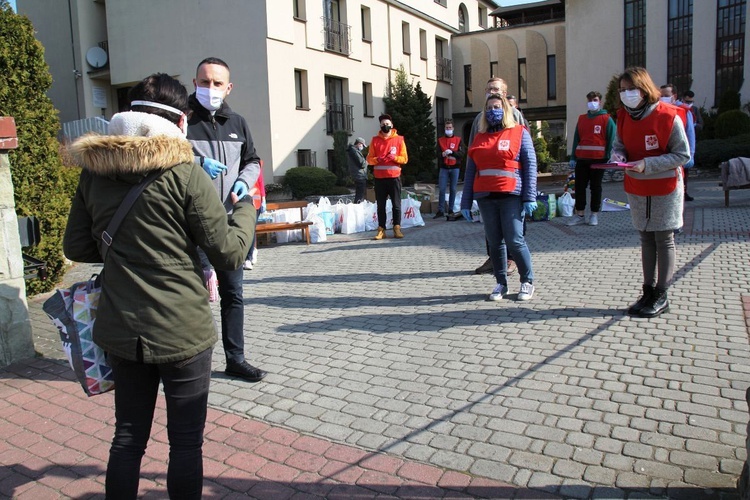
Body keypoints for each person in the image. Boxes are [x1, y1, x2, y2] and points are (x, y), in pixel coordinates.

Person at [63, 73, 256, 499]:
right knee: (185, 443)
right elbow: (227, 253)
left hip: (121, 330)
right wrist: (246, 209)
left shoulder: (95, 173)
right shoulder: (185, 174)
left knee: (127, 439)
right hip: (182, 331)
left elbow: (76, 245)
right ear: (181, 122)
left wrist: (129, 252)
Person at [187, 57, 267, 382]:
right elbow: (166, 157)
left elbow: (253, 160)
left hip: (228, 226)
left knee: (232, 295)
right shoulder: (183, 121)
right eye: (205, 82)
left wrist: (243, 182)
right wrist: (195, 162)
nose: (211, 88)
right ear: (195, 83)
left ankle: (236, 359)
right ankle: (191, 364)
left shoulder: (238, 122)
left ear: (228, 87)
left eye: (217, 83)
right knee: (193, 298)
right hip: (191, 224)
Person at [612, 67, 690, 318]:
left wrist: (648, 163)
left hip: (664, 186)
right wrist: (618, 156)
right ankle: (647, 290)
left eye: (631, 89)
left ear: (644, 90)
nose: (626, 95)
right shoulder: (623, 116)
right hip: (637, 186)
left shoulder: (668, 116)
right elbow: (620, 145)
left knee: (663, 239)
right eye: (622, 91)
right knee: (645, 237)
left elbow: (682, 155)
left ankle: (661, 293)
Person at [461, 93, 538, 301]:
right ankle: (501, 284)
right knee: (495, 242)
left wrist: (529, 197)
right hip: (486, 197)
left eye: (496, 107)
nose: (492, 111)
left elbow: (530, 166)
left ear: (505, 110)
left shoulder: (519, 132)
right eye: (489, 108)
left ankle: (527, 281)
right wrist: (466, 202)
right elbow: (470, 171)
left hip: (511, 194)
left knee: (514, 240)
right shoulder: (479, 137)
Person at [471, 78, 524, 276]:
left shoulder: (516, 116)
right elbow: (472, 151)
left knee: (511, 229)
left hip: (510, 184)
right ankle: (494, 258)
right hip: (486, 183)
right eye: (489, 89)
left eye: (496, 89)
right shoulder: (480, 118)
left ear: (504, 92)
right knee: (491, 228)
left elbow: (525, 152)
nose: (492, 91)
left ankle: (511, 259)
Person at [568, 91, 616, 226]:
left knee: (596, 187)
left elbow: (611, 139)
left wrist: (608, 157)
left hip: (598, 160)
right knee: (579, 187)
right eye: (589, 100)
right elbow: (576, 138)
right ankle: (580, 214)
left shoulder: (606, 119)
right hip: (582, 159)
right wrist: (573, 157)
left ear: (600, 101)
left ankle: (594, 214)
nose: (592, 102)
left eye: (594, 99)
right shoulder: (582, 119)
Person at [366, 113, 408, 239]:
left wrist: (394, 158)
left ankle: (397, 228)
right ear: (380, 126)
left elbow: (404, 159)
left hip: (394, 177)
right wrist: (377, 159)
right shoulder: (375, 140)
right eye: (383, 124)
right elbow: (369, 159)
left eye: (387, 124)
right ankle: (381, 229)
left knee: (396, 205)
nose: (385, 126)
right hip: (379, 178)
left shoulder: (399, 139)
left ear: (392, 125)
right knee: (381, 206)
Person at [660, 83, 696, 202]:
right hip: (664, 154)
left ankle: (683, 194)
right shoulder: (658, 110)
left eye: (666, 95)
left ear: (673, 96)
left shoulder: (684, 111)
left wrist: (690, 154)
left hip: (680, 152)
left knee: (681, 177)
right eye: (661, 95)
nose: (662, 97)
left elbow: (690, 133)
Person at [435, 119, 464, 218]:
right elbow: (437, 153)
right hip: (444, 167)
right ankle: (441, 210)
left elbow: (462, 153)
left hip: (455, 167)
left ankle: (451, 209)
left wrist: (453, 152)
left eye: (450, 128)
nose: (448, 129)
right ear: (444, 129)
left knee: (453, 189)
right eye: (447, 128)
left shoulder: (458, 140)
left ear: (453, 128)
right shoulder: (440, 140)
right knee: (442, 189)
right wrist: (442, 154)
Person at [244, 166, 266, 270]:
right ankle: (251, 252)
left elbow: (260, 182)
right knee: (246, 229)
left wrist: (263, 198)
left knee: (251, 229)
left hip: (256, 201)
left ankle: (248, 257)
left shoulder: (255, 164)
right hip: (243, 199)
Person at [347, 137, 368, 203]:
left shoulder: (353, 150)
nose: (363, 147)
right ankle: (357, 206)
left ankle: (357, 205)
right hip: (359, 175)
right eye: (362, 145)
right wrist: (367, 162)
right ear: (359, 144)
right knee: (360, 194)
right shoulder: (354, 151)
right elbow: (362, 164)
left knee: (359, 193)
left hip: (358, 174)